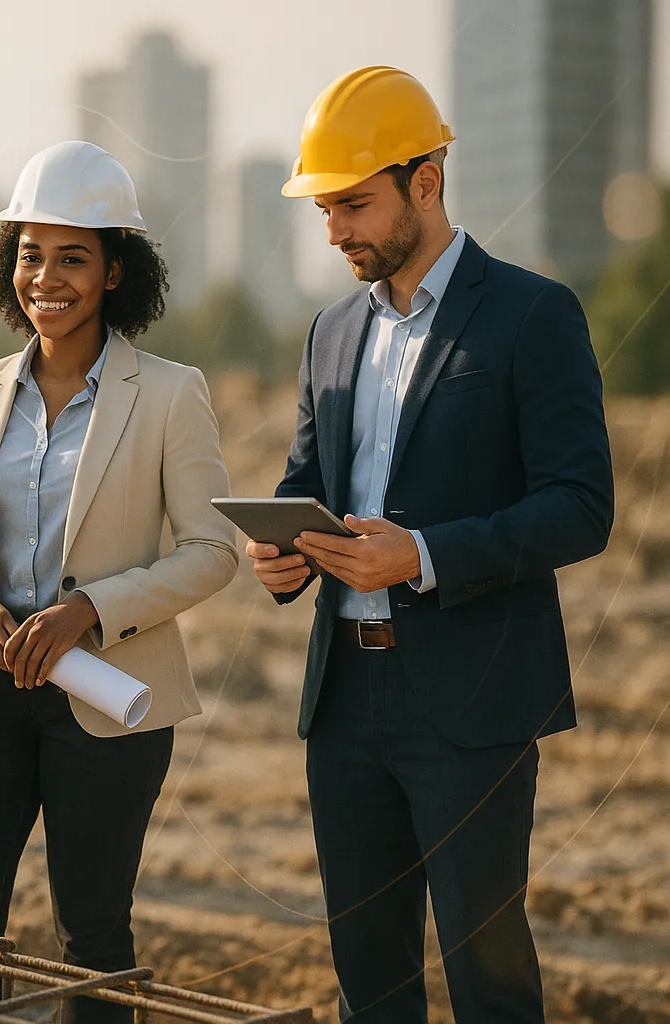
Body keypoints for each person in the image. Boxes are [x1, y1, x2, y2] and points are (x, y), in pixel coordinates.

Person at [252, 67, 613, 1022]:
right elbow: (305, 489)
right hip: (344, 706)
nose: (335, 233)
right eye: (326, 210)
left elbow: (582, 506)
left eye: (354, 206)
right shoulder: (329, 333)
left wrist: (422, 554)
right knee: (369, 977)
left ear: (428, 178)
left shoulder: (534, 315)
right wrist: (281, 554)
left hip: (474, 703)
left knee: (488, 980)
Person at [0, 141, 238, 1023]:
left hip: (105, 698)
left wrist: (92, 610)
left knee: (92, 940)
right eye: (30, 253)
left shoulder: (170, 394)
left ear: (114, 272)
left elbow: (214, 548)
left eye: (73, 257)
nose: (46, 277)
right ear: (5, 261)